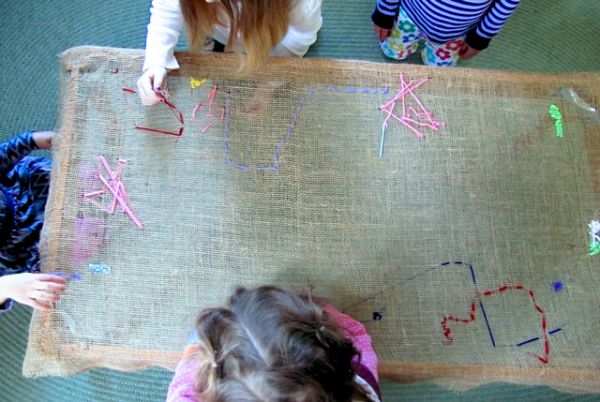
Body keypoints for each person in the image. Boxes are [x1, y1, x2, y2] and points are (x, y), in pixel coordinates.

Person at [167, 285, 381, 401]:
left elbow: (182, 385)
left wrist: (194, 356)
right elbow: (356, 333)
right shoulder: (361, 384)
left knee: (200, 335)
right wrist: (328, 316)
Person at [137, 0, 323, 107]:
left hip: (270, 37)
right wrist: (156, 61)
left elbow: (299, 39)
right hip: (222, 30)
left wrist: (269, 84)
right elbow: (166, 10)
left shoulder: (302, 5)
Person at [0, 131, 68, 313]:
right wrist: (5, 287)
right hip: (29, 248)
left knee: (89, 182)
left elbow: (8, 151)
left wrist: (36, 140)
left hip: (33, 185)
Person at [372, 0, 521, 67]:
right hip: (408, 16)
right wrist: (385, 11)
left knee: (439, 71)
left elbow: (506, 4)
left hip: (455, 33)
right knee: (393, 51)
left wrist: (480, 37)